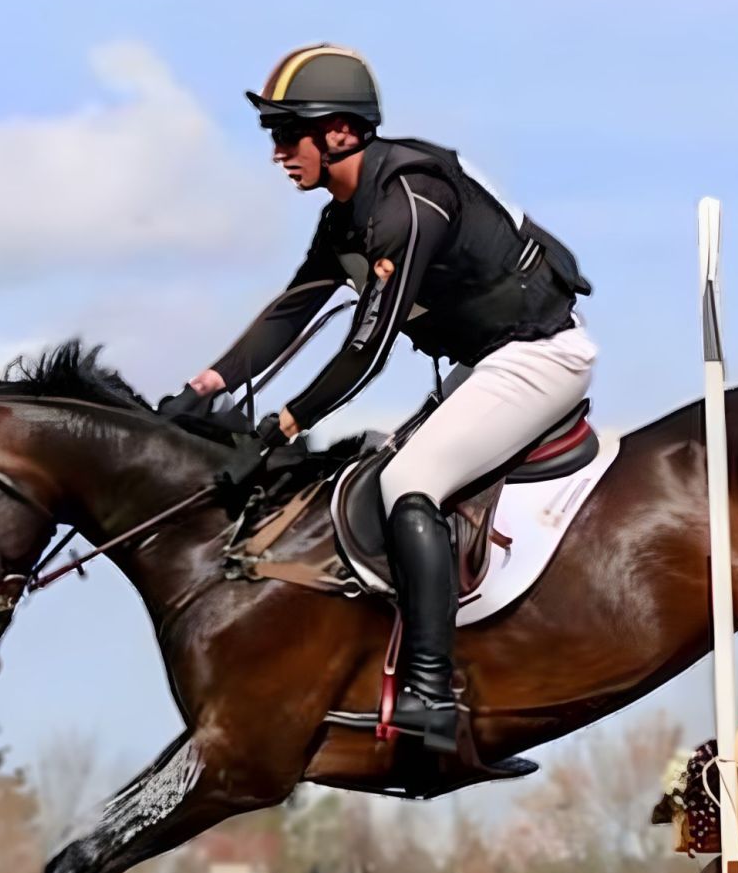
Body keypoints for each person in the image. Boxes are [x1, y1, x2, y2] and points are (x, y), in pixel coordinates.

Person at [184, 44, 596, 755]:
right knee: (372, 476)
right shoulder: (345, 216)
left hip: (539, 354)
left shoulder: (408, 203)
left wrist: (281, 427)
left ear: (340, 133)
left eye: (289, 133)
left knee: (409, 482)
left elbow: (365, 351)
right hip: (488, 362)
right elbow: (293, 312)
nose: (278, 152)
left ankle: (433, 691)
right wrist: (203, 386)